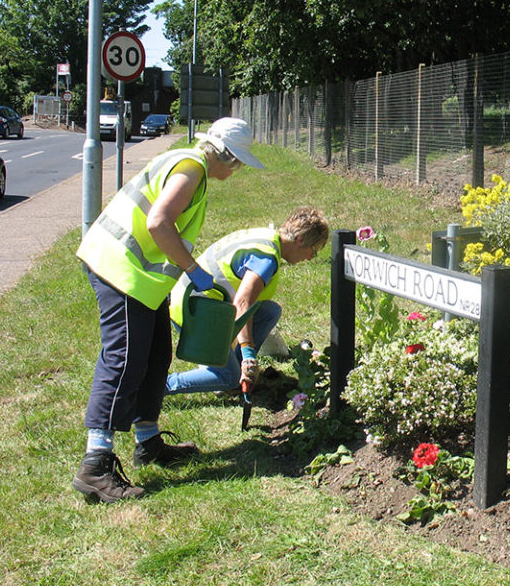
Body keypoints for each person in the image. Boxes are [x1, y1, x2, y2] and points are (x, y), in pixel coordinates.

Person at [72, 117, 265, 504]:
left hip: (141, 280)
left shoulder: (187, 163)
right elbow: (158, 223)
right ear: (225, 156)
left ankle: (148, 442)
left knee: (156, 357)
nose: (238, 169)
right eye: (238, 161)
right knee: (124, 361)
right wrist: (194, 272)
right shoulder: (191, 169)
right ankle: (95, 463)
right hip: (121, 272)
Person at [165, 207, 329, 396]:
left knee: (269, 311)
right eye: (313, 251)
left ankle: (230, 367)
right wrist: (249, 355)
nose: (310, 258)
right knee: (228, 377)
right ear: (300, 240)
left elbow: (247, 304)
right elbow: (243, 304)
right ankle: (155, 388)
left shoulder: (267, 237)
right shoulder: (266, 259)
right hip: (194, 312)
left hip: (202, 304)